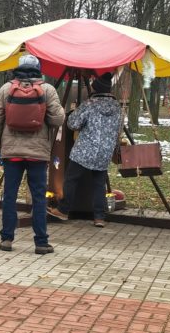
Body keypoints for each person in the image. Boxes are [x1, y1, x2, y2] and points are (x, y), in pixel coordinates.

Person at [0, 54, 64, 255]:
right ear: (38, 69)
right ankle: (41, 242)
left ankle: (6, 238)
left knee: (9, 195)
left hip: (11, 153)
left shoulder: (6, 89)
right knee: (39, 198)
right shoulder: (47, 90)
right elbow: (58, 119)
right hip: (37, 154)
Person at [46, 73, 121, 228]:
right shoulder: (116, 107)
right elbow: (118, 128)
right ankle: (99, 217)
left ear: (96, 89)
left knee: (71, 179)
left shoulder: (89, 104)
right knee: (99, 184)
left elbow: (72, 123)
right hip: (104, 152)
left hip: (84, 150)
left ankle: (63, 210)